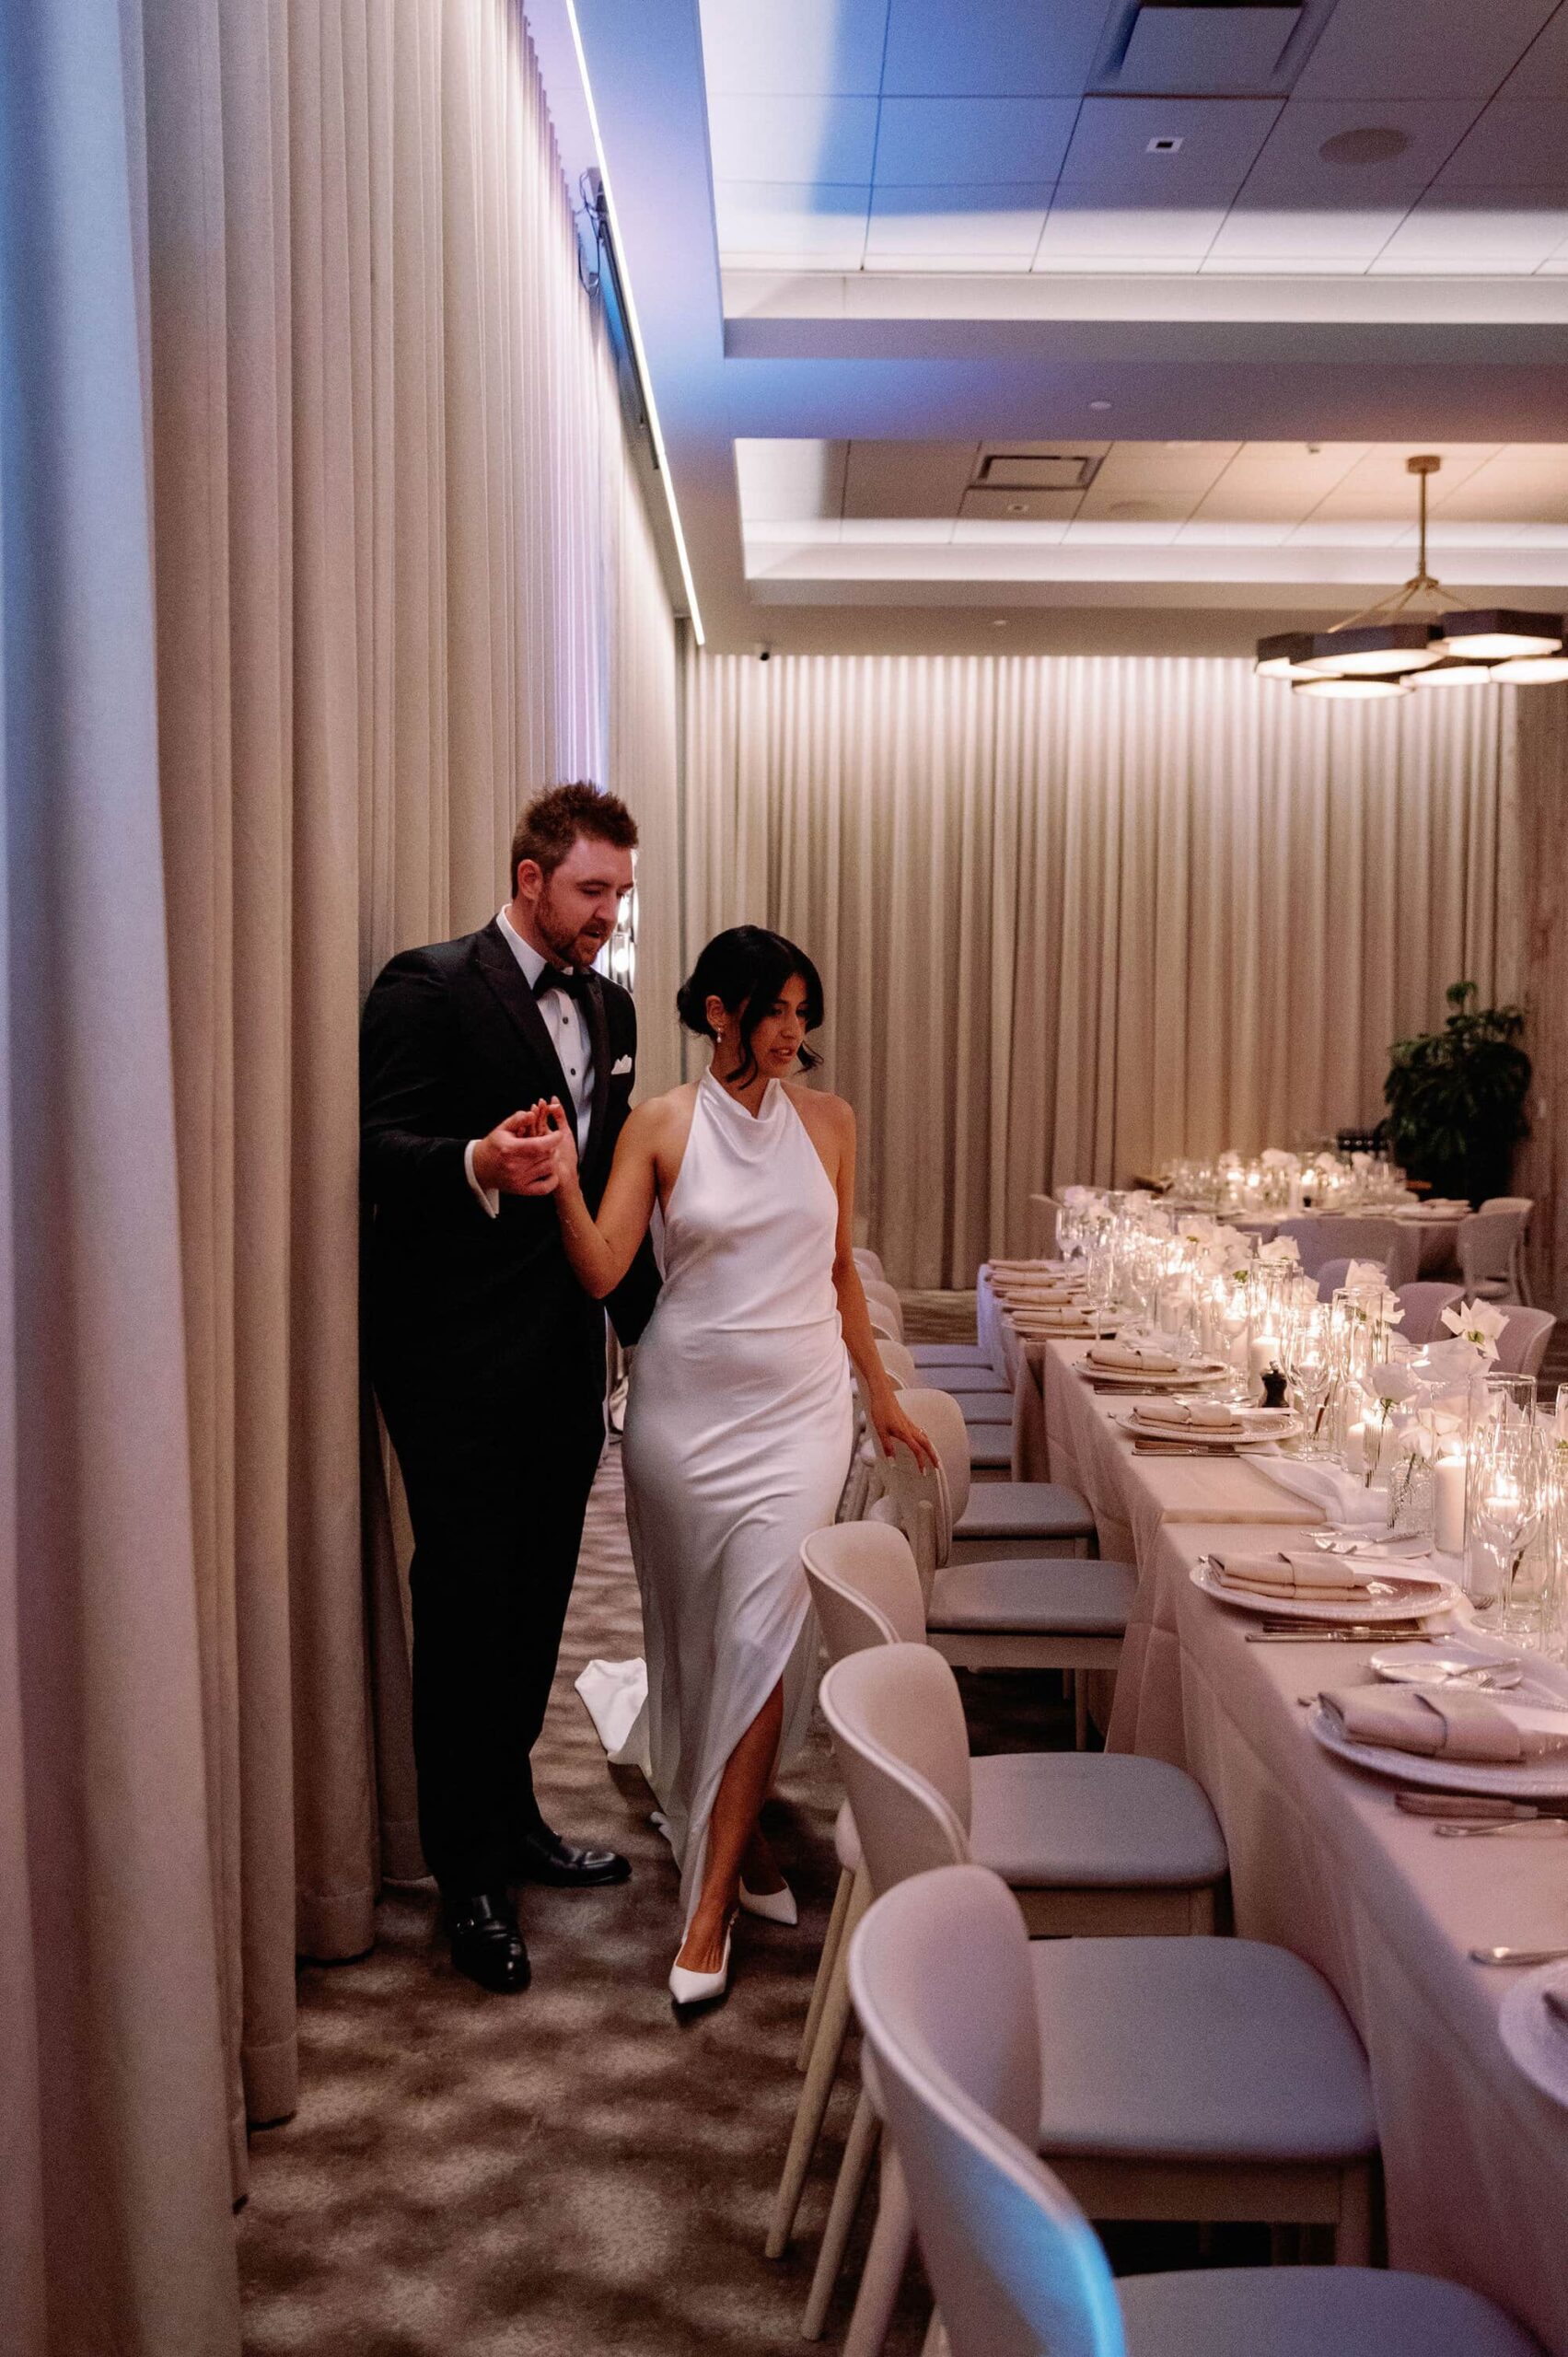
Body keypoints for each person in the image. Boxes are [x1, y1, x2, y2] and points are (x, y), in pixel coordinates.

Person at [527, 925, 934, 2009]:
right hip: (682, 1413)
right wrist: (565, 1177)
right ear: (719, 1012)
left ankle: (704, 1908)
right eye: (778, 1010)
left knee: (762, 1626)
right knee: (698, 1631)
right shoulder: (661, 1124)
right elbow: (608, 1266)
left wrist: (879, 1396)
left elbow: (839, 1267)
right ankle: (732, 1829)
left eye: (806, 1011)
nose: (796, 1031)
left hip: (800, 1409)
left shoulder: (831, 1124)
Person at [360, 784, 659, 1994]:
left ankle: (516, 1815)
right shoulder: (427, 986)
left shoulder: (616, 1005)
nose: (605, 916)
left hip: (560, 1355)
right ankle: (465, 1876)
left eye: (618, 896)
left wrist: (653, 1334)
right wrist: (479, 1161)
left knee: (537, 1598)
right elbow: (377, 1146)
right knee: (470, 1604)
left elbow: (608, 1193)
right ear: (530, 877)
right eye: (590, 892)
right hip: (449, 1357)